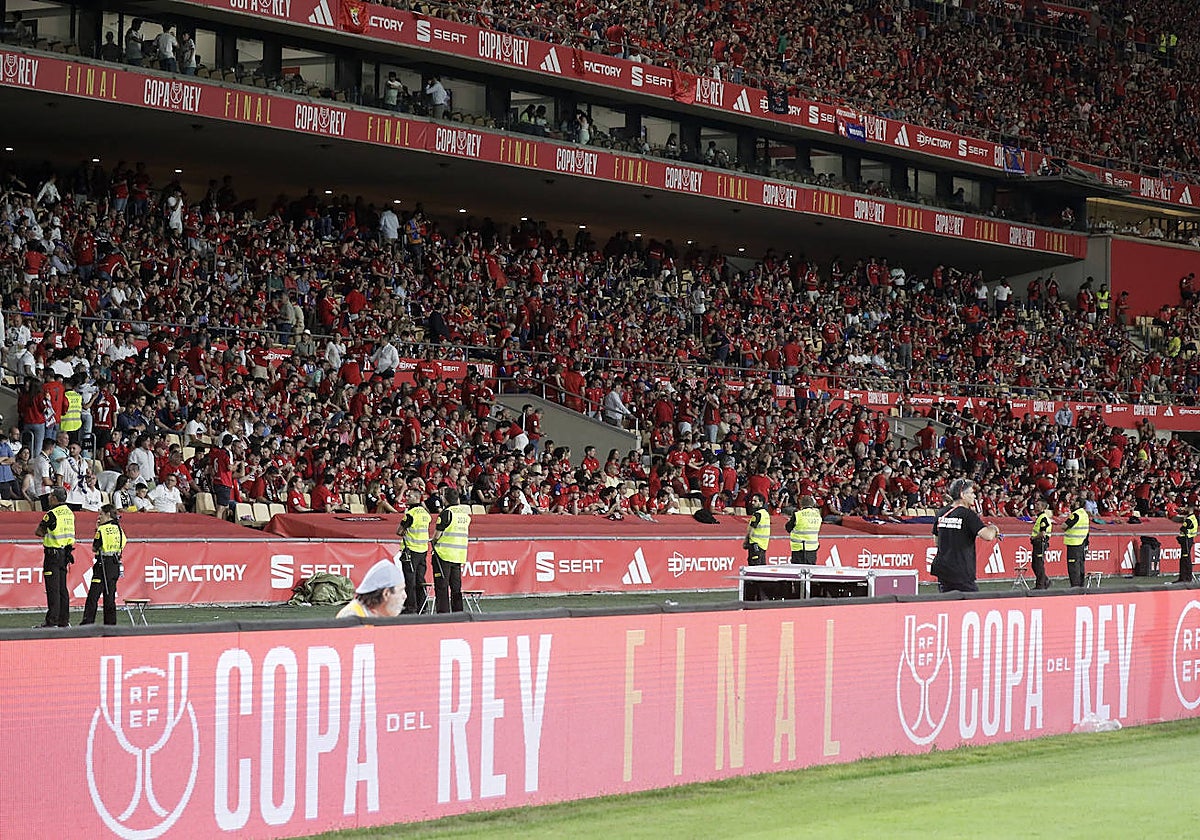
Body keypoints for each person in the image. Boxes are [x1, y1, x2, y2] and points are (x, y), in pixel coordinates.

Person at [930, 479, 1001, 593]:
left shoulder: (941, 513)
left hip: (943, 570)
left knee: (947, 606)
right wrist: (994, 528)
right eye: (971, 493)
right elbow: (987, 536)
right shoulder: (967, 514)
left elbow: (936, 541)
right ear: (962, 494)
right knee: (971, 607)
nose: (974, 496)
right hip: (961, 571)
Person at [35, 487, 75, 627]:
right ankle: (64, 620)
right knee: (63, 589)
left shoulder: (52, 514)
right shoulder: (70, 513)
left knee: (53, 589)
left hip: (52, 554)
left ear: (55, 498)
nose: (48, 497)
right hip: (65, 554)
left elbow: (39, 532)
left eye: (51, 495)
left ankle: (52, 621)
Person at [81, 504, 126, 626]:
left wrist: (97, 529)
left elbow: (94, 548)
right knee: (109, 596)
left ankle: (87, 623)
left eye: (101, 514)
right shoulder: (119, 529)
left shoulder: (102, 530)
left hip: (103, 564)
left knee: (93, 596)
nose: (99, 516)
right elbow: (123, 544)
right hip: (115, 564)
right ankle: (110, 624)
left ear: (107, 514)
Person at [431, 487, 471, 613]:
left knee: (442, 587)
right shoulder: (464, 514)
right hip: (458, 555)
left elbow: (437, 536)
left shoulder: (446, 513)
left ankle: (443, 615)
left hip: (443, 555)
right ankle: (458, 613)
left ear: (444, 498)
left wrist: (433, 542)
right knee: (456, 587)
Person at [397, 489, 434, 613]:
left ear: (417, 498)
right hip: (423, 550)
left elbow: (399, 531)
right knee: (420, 580)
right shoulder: (425, 513)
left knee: (410, 580)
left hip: (411, 550)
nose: (407, 497)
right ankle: (423, 607)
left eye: (410, 496)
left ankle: (411, 607)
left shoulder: (410, 514)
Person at [336, 559, 405, 619]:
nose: (405, 596)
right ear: (386, 593)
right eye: (401, 590)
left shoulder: (382, 615)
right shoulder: (351, 618)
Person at [743, 492, 770, 600]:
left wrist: (746, 541)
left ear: (761, 502)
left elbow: (751, 529)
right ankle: (761, 597)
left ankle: (752, 597)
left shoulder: (757, 514)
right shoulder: (766, 514)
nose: (752, 503)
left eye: (755, 501)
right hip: (763, 546)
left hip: (755, 546)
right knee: (761, 572)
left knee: (754, 571)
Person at [1062, 493, 1090, 587]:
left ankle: (1075, 586)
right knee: (1080, 565)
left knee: (1073, 566)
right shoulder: (1084, 514)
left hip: (1074, 543)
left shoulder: (1076, 514)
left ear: (1077, 503)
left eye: (1073, 501)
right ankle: (1081, 585)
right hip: (1081, 543)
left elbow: (1064, 526)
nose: (1071, 502)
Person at [787, 494, 822, 564]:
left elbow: (788, 528)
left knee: (799, 571)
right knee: (810, 570)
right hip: (813, 547)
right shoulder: (817, 515)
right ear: (812, 504)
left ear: (801, 504)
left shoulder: (797, 514)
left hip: (799, 548)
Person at [1029, 498, 1053, 589]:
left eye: (1038, 504)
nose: (1036, 506)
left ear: (1043, 507)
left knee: (1038, 565)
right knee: (1035, 564)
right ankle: (1045, 581)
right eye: (1036, 504)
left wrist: (1033, 537)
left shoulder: (1043, 518)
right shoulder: (1040, 517)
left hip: (1040, 543)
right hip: (1037, 543)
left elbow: (1043, 533)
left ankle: (1040, 585)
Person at [1173, 504, 1198, 584]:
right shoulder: (1193, 518)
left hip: (1186, 540)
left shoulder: (1189, 519)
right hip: (1188, 539)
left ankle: (1186, 577)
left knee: (1185, 558)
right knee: (1185, 558)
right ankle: (1184, 577)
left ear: (1189, 509)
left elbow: (1183, 528)